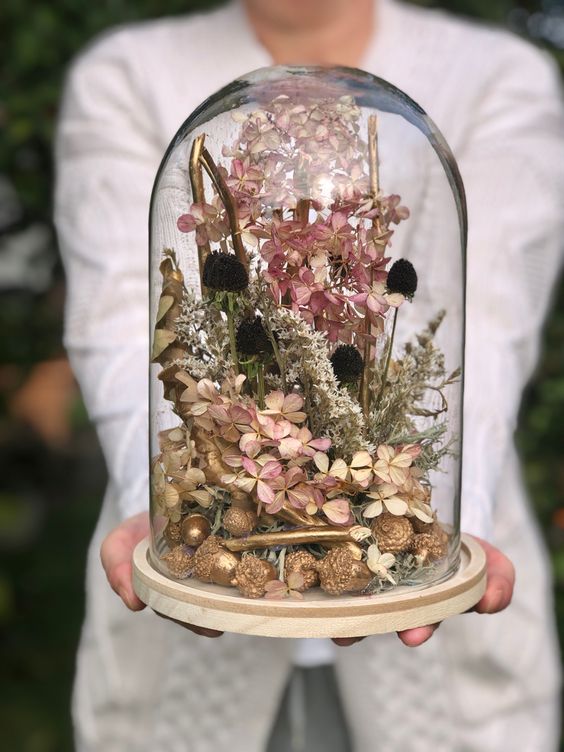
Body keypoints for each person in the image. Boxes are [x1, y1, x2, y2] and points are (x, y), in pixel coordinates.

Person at [54, 0, 564, 750]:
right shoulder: (127, 75)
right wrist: (166, 521)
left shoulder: (498, 76)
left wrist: (446, 527)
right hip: (187, 657)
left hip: (448, 683)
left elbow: (487, 322)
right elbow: (123, 322)